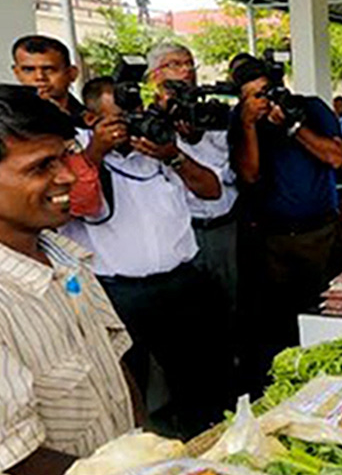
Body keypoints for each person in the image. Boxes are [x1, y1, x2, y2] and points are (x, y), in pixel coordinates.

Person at [0, 78, 140, 473]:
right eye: (41, 167)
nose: (69, 176)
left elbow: (115, 366)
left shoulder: (63, 256)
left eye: (65, 156)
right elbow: (6, 462)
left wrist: (147, 455)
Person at [60, 76, 230, 437]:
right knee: (127, 383)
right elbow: (74, 204)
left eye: (135, 112)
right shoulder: (76, 156)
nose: (134, 123)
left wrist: (174, 156)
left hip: (182, 283)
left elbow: (212, 190)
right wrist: (96, 154)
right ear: (92, 121)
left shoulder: (160, 147)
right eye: (121, 118)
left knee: (200, 376)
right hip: (119, 294)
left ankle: (206, 444)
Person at [228, 58, 342, 396]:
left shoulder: (310, 108)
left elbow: (335, 157)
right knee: (277, 321)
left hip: (319, 233)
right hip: (272, 238)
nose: (262, 102)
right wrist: (250, 125)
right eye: (251, 97)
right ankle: (287, 386)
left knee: (322, 312)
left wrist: (294, 128)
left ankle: (328, 380)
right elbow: (248, 174)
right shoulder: (244, 120)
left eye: (265, 93)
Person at [146, 43, 240, 323]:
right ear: (155, 75)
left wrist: (195, 138)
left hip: (223, 227)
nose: (186, 70)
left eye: (189, 64)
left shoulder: (212, 114)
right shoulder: (149, 120)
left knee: (229, 306)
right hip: (180, 231)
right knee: (186, 316)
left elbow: (224, 176)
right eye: (175, 64)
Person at [12, 35, 119, 218]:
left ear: (72, 73)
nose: (39, 78)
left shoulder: (91, 121)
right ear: (16, 73)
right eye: (29, 69)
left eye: (49, 69)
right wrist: (94, 152)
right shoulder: (11, 127)